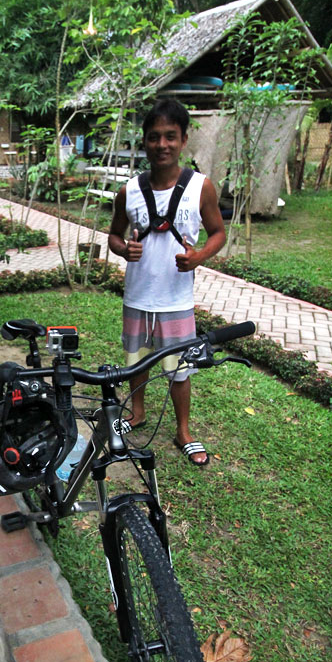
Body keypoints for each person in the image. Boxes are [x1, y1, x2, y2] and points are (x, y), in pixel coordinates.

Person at [106, 99, 227, 466]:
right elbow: (113, 235)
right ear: (143, 141)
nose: (162, 145)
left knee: (180, 369)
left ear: (184, 139)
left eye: (170, 137)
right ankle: (137, 413)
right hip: (138, 297)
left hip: (176, 301)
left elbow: (218, 233)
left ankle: (183, 431)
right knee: (136, 362)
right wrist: (122, 249)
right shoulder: (129, 191)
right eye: (154, 137)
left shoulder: (200, 187)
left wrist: (198, 257)